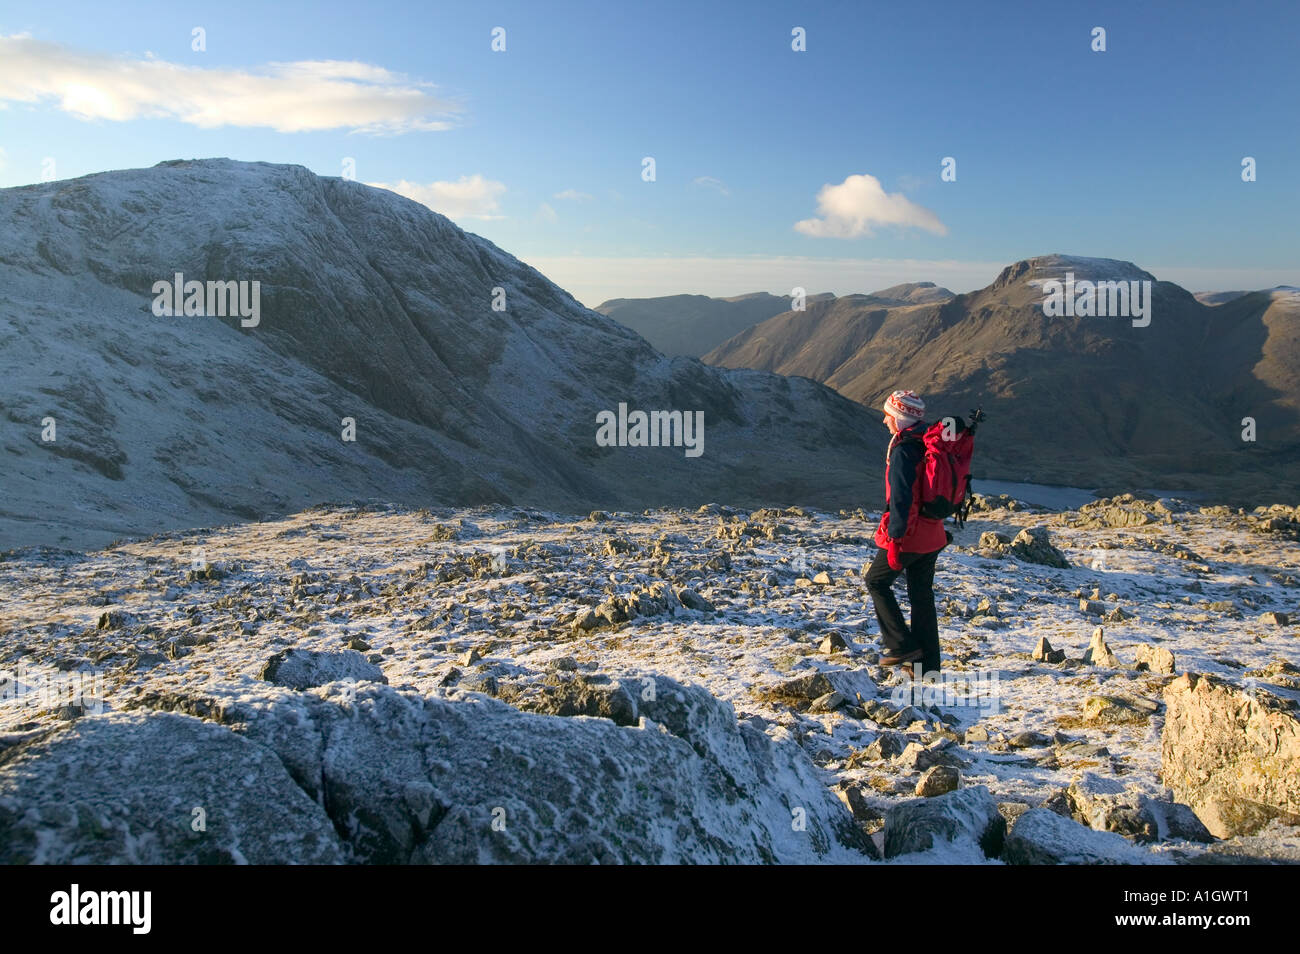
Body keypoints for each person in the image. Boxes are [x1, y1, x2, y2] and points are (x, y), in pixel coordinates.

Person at [864, 389, 949, 675]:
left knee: (876, 581)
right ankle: (927, 667)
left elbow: (903, 499)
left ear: (899, 418)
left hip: (911, 535)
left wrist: (896, 541)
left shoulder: (904, 450)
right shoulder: (927, 441)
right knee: (921, 595)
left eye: (888, 415)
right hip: (933, 533)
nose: (885, 421)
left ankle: (901, 645)